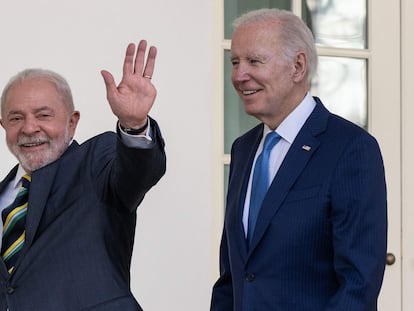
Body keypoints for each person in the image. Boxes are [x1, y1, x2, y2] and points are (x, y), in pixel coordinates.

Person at [210, 8, 387, 311]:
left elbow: (358, 285)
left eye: (254, 61)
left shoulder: (351, 149)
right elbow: (233, 276)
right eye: (235, 62)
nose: (239, 75)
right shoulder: (243, 149)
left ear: (298, 66)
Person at [0, 40, 166, 310]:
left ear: (72, 121)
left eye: (43, 115)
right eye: (16, 118)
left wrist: (134, 125)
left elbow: (139, 170)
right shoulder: (4, 196)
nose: (29, 128)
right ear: (3, 125)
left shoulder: (95, 164)